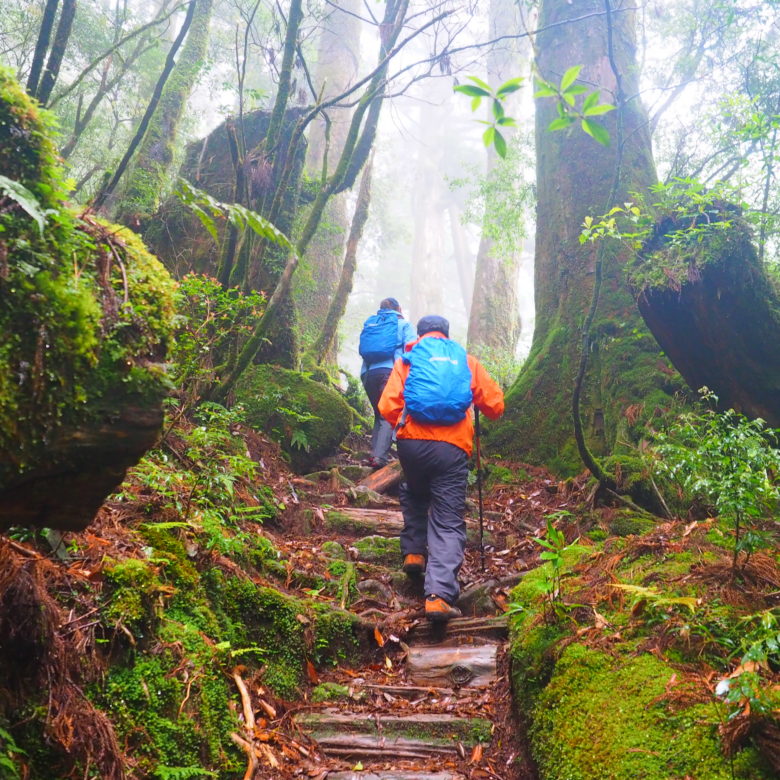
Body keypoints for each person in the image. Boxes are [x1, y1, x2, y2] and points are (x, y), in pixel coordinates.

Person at [378, 315, 504, 623]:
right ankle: (437, 596)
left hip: (411, 445)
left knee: (414, 490)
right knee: (447, 520)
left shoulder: (408, 359)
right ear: (447, 335)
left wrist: (410, 425)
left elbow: (387, 407)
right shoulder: (465, 360)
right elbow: (496, 406)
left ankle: (413, 552)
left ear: (419, 335)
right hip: (452, 448)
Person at [359, 298, 416, 469]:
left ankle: (374, 454)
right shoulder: (404, 325)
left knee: (379, 414)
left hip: (368, 373)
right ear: (399, 308)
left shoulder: (372, 324)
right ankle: (379, 458)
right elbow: (412, 349)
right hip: (390, 372)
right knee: (388, 415)